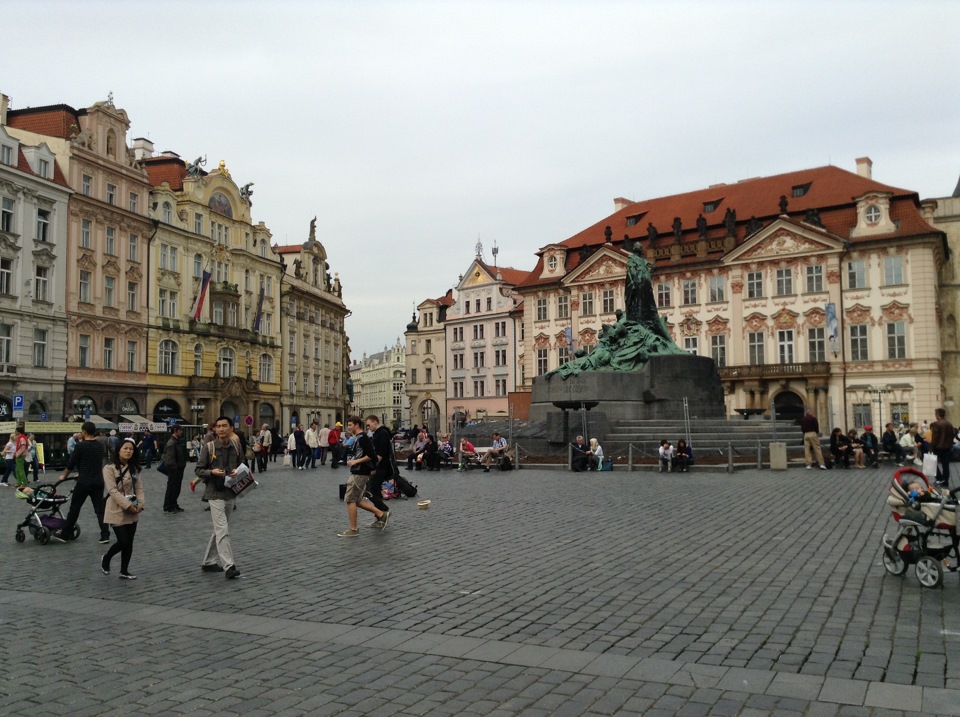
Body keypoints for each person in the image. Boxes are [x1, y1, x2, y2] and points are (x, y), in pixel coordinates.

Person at [191, 416, 243, 579]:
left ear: (231, 428)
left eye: (224, 426)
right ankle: (229, 566)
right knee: (222, 529)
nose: (221, 429)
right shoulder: (209, 447)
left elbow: (243, 464)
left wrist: (237, 471)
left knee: (220, 528)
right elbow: (198, 470)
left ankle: (208, 561)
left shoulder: (236, 445)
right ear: (214, 429)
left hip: (230, 490)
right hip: (214, 492)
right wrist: (211, 472)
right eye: (218, 426)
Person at [54, 421, 110, 544]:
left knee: (75, 508)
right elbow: (93, 462)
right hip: (98, 481)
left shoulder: (81, 446)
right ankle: (105, 534)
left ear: (84, 432)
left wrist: (64, 476)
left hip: (84, 482)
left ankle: (65, 534)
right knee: (100, 509)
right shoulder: (99, 446)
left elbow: (71, 463)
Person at [100, 437, 145, 579]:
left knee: (129, 541)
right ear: (118, 450)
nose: (128, 451)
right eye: (125, 448)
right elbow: (112, 490)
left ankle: (124, 571)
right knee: (123, 540)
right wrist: (127, 505)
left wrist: (140, 504)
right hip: (116, 508)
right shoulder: (109, 468)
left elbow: (138, 487)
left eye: (131, 449)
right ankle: (106, 558)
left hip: (133, 507)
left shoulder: (134, 468)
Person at [338, 415, 389, 537]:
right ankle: (382, 514)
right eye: (348, 425)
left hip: (360, 472)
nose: (348, 428)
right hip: (359, 471)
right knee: (358, 500)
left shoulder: (363, 437)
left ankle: (353, 529)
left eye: (350, 425)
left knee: (350, 499)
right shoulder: (359, 437)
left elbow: (372, 455)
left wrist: (356, 462)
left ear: (356, 425)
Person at [364, 414, 395, 527]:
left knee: (371, 490)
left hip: (381, 467)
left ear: (375, 422)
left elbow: (380, 455)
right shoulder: (379, 433)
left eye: (369, 425)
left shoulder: (381, 434)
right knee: (375, 491)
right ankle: (380, 517)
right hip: (382, 466)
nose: (368, 427)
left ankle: (384, 511)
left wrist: (373, 468)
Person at [162, 425, 188, 514]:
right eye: (180, 430)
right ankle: (169, 506)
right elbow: (169, 459)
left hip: (178, 469)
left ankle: (173, 504)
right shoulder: (171, 443)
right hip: (174, 470)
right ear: (175, 431)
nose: (182, 432)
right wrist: (175, 469)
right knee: (172, 488)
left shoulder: (175, 442)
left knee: (176, 488)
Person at [930, 407, 956, 487]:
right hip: (947, 447)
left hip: (938, 447)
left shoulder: (936, 424)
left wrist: (931, 448)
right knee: (945, 465)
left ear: (938, 415)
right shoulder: (949, 424)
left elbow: (935, 438)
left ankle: (940, 479)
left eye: (935, 414)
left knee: (932, 463)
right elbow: (952, 435)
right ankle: (945, 482)